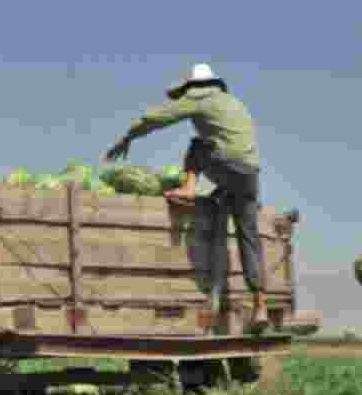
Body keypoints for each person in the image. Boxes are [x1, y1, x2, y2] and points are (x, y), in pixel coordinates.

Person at [105, 62, 269, 330]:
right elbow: (240, 146)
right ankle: (260, 303)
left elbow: (157, 118)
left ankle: (189, 188)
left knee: (197, 146)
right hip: (249, 175)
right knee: (248, 236)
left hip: (226, 163)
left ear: (193, 87)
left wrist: (128, 137)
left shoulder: (200, 98)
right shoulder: (233, 102)